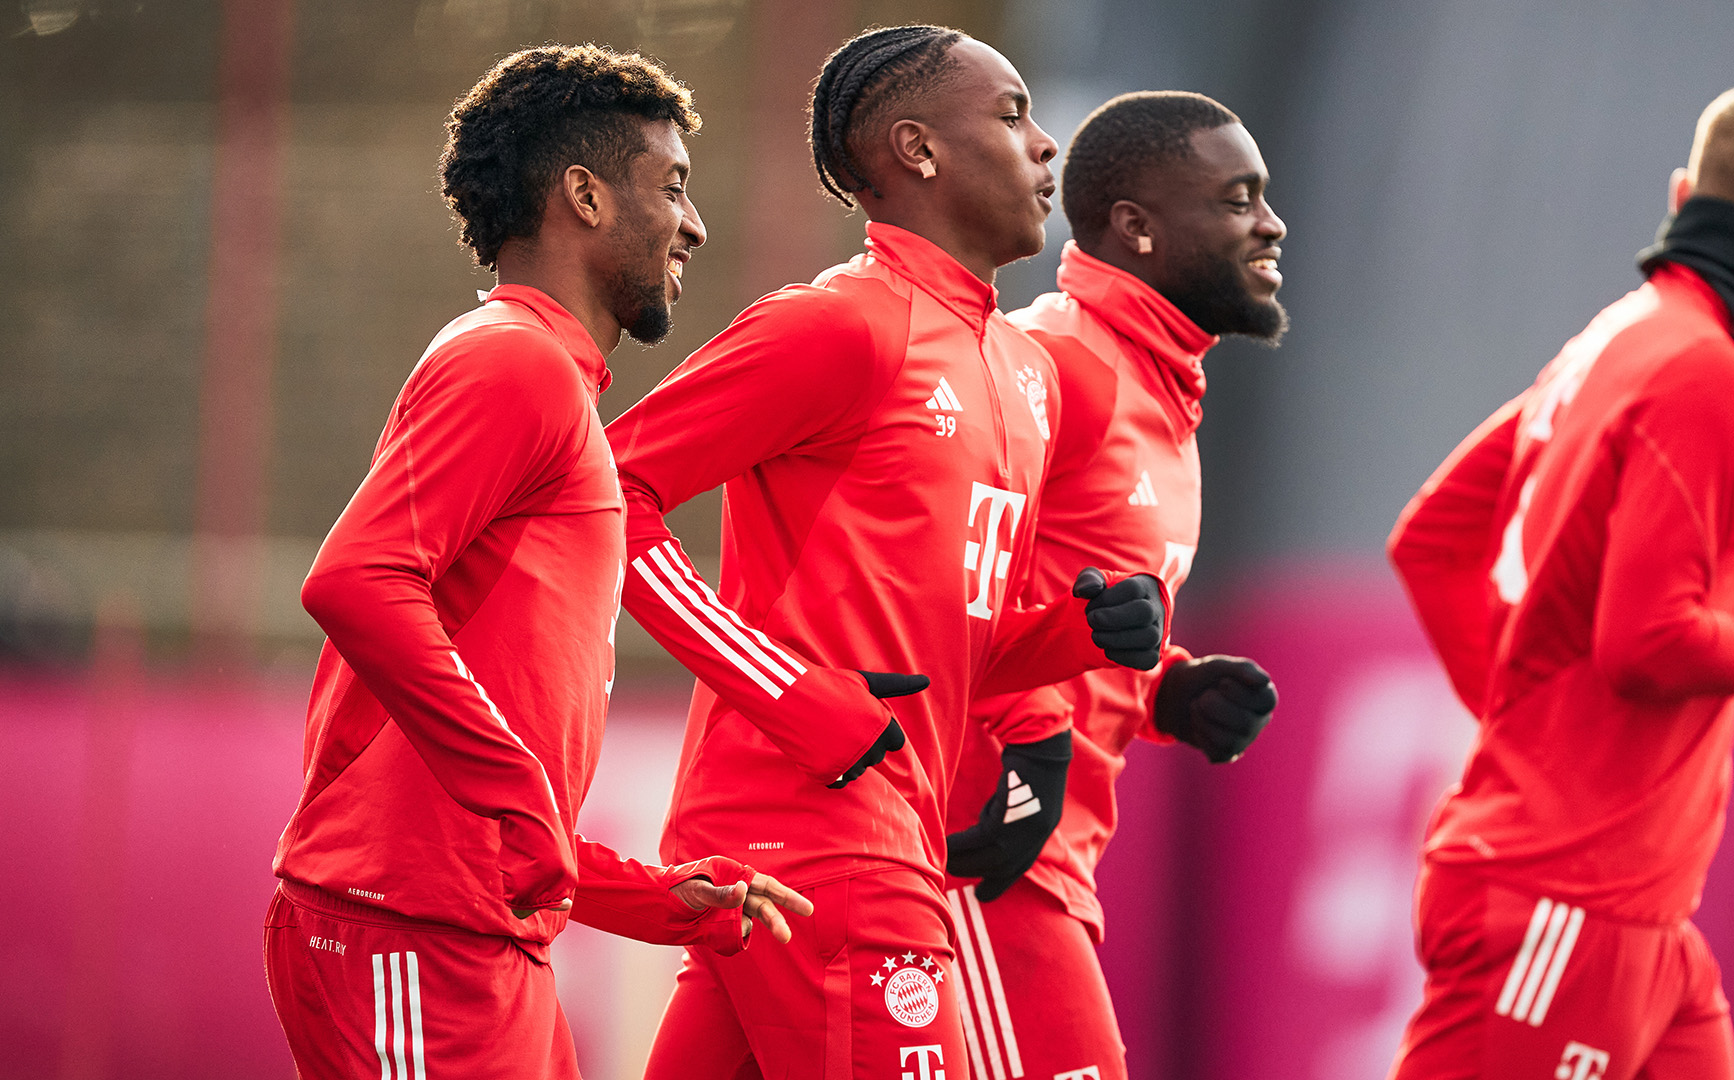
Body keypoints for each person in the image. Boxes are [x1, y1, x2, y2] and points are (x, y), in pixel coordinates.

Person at [609, 25, 1169, 1080]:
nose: (1048, 146)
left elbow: (937, 651)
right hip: (824, 839)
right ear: (917, 151)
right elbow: (599, 495)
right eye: (1011, 116)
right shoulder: (839, 325)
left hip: (857, 839)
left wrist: (1074, 634)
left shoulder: (1026, 370)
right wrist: (790, 693)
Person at [263, 47, 812, 1080]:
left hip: (466, 934)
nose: (694, 224)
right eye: (675, 187)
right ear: (586, 196)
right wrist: (518, 799)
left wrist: (640, 895)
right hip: (406, 935)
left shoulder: (544, 377)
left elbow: (492, 783)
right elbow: (355, 580)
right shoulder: (511, 359)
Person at [1386, 78, 1734, 1080]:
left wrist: (1540, 735)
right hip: (1569, 908)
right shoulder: (1709, 375)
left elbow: (1431, 539)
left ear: (1684, 189)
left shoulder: (1615, 337)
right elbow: (1648, 641)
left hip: (1630, 914)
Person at [938, 91, 1286, 1080]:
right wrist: (1031, 753)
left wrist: (1164, 686)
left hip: (1046, 855)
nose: (1272, 222)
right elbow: (935, 581)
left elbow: (1049, 591)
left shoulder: (1159, 390)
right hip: (979, 847)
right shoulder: (1056, 363)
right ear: (1137, 227)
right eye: (1239, 198)